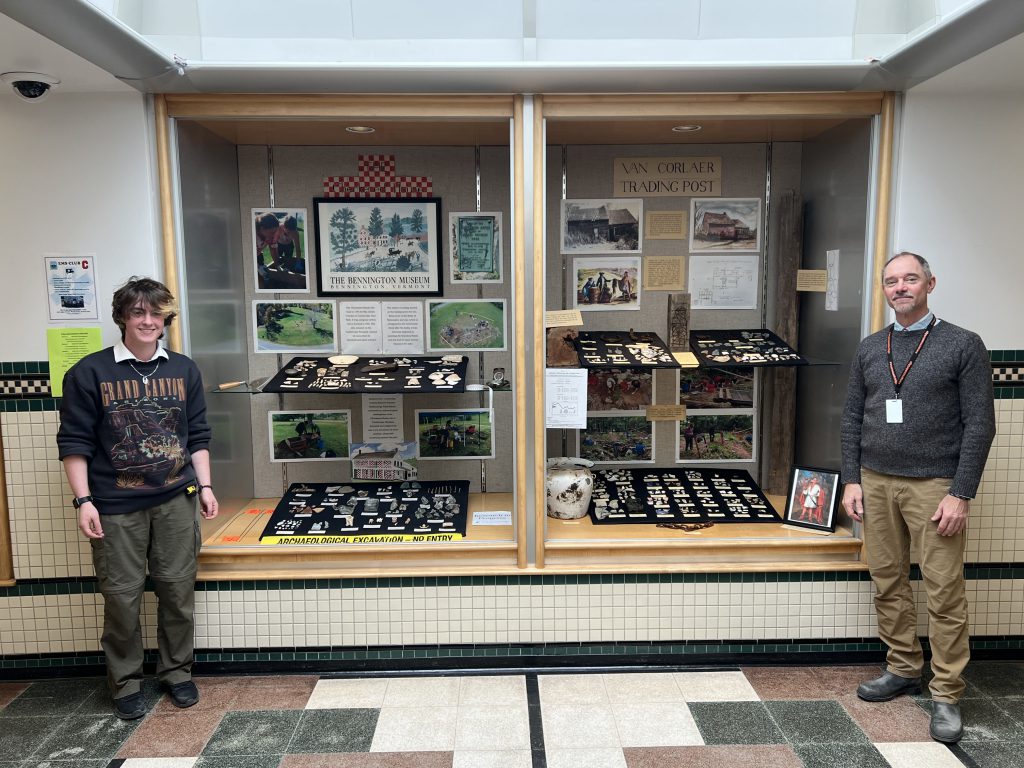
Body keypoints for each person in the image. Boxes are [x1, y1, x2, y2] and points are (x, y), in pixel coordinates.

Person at [840, 252, 995, 744]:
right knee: (887, 579)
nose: (900, 287)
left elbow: (980, 425)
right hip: (876, 480)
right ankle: (903, 666)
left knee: (944, 589)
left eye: (910, 279)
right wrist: (852, 480)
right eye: (891, 281)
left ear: (930, 283)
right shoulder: (871, 348)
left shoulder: (962, 344)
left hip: (934, 486)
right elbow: (850, 420)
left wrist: (960, 492)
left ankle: (947, 692)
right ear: (884, 290)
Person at [57, 277, 219, 720]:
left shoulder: (184, 369)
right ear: (123, 318)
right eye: (138, 313)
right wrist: (84, 500)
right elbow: (74, 444)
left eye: (156, 313)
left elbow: (198, 435)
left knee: (177, 592)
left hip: (175, 499)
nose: (148, 321)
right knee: (121, 597)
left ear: (166, 319)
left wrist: (204, 487)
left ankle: (177, 674)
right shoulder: (89, 373)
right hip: (114, 505)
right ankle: (125, 682)